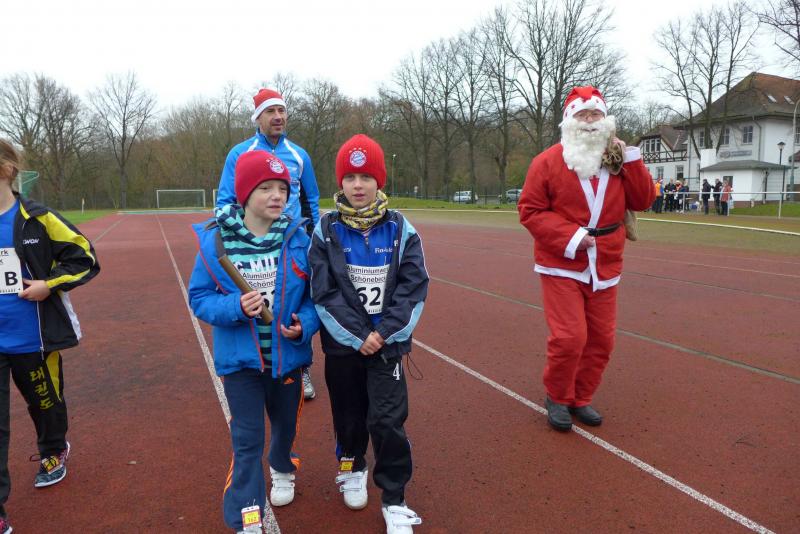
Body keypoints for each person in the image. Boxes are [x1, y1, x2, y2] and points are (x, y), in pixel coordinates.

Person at [189, 151, 320, 533]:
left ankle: (282, 467)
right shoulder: (216, 243)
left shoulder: (299, 239)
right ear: (245, 194)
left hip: (287, 358)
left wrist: (305, 324)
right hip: (241, 363)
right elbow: (199, 297)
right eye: (266, 188)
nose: (277, 195)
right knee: (247, 439)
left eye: (283, 188)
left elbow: (315, 298)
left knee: (285, 427)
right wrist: (234, 306)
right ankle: (247, 515)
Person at [309, 134, 429, 534]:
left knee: (388, 420)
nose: (357, 185)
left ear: (380, 181)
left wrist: (383, 333)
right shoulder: (325, 230)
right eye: (350, 177)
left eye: (366, 177)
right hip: (344, 347)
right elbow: (323, 292)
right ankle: (353, 468)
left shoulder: (402, 229)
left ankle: (395, 499)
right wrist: (358, 334)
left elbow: (413, 288)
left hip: (386, 347)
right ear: (340, 182)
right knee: (348, 416)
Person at [518, 87, 655, 432]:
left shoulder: (619, 159)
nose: (590, 121)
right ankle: (558, 396)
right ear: (569, 120)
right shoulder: (546, 162)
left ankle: (581, 397)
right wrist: (573, 237)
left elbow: (642, 200)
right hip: (561, 262)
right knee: (569, 337)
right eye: (582, 114)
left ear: (606, 119)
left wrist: (632, 159)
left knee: (602, 340)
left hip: (606, 262)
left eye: (596, 114)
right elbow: (530, 210)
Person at [0, 138, 100, 534]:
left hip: (34, 338)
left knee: (46, 405)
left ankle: (53, 449)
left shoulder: (37, 218)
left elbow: (85, 256)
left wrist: (49, 284)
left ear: (7, 169)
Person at [216, 88, 321, 401]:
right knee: (254, 304)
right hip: (251, 245)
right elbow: (225, 201)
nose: (278, 117)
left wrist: (314, 239)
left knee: (295, 306)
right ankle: (249, 369)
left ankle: (301, 368)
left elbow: (311, 200)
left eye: (281, 111)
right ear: (257, 118)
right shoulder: (239, 154)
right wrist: (233, 236)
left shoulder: (300, 155)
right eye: (270, 112)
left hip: (291, 245)